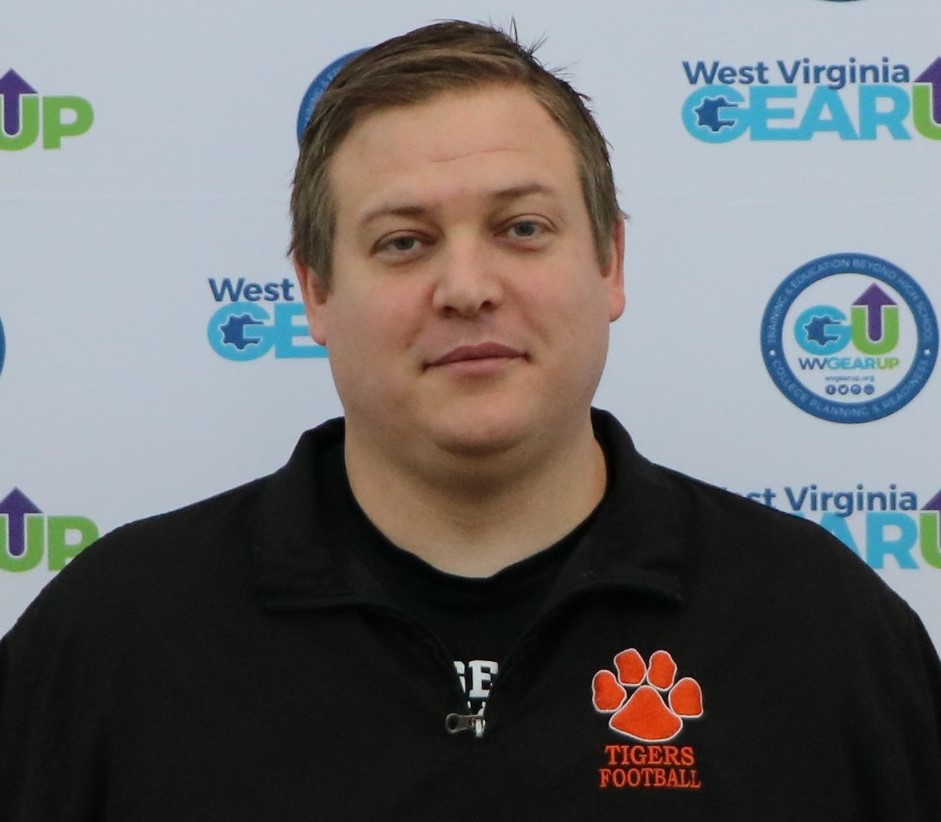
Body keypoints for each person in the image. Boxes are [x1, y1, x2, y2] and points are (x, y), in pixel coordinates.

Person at [1, 20, 940, 821]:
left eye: (521, 228)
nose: (466, 287)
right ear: (315, 292)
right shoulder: (115, 638)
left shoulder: (819, 630)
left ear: (609, 263)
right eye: (403, 242)